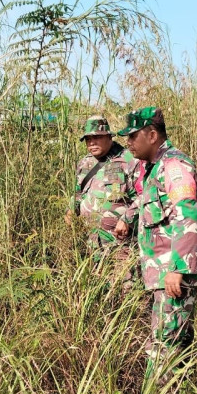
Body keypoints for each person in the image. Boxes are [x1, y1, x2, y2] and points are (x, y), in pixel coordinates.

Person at [114, 107, 197, 386]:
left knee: (162, 344)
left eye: (133, 136)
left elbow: (187, 215)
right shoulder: (153, 169)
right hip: (161, 274)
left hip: (172, 275)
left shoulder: (174, 166)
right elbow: (150, 203)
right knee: (176, 340)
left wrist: (178, 269)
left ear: (153, 135)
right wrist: (128, 217)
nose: (129, 142)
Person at [66, 115, 136, 292]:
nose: (92, 143)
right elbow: (78, 192)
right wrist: (71, 210)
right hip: (91, 242)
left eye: (97, 137)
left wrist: (127, 218)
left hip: (119, 243)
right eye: (88, 139)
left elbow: (142, 196)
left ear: (109, 137)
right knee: (97, 288)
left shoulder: (128, 160)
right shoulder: (85, 163)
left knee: (124, 287)